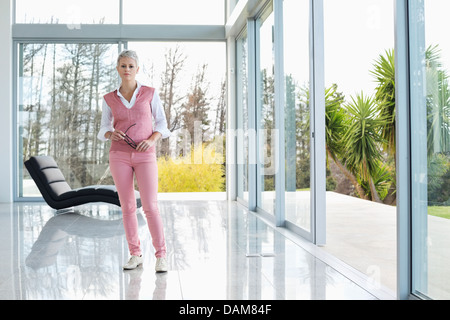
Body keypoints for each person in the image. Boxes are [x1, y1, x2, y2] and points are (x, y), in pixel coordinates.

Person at [98, 49, 170, 272]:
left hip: (145, 155)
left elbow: (162, 125)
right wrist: (111, 134)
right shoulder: (109, 99)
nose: (127, 70)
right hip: (118, 155)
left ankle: (161, 256)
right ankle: (135, 254)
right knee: (127, 206)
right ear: (118, 69)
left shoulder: (149, 93)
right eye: (123, 66)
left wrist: (151, 140)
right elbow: (103, 129)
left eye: (131, 66)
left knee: (150, 206)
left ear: (137, 69)